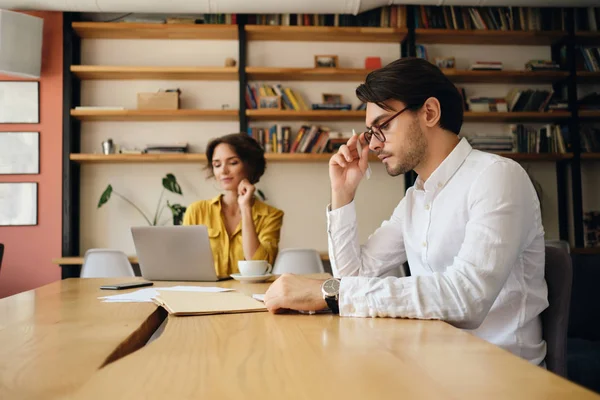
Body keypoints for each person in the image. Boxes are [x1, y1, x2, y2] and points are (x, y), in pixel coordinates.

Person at [264, 57, 549, 366]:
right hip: (433, 363)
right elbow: (355, 276)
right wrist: (342, 194)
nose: (373, 146)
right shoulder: (416, 198)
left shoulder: (496, 176)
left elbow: (467, 297)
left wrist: (330, 293)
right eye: (370, 133)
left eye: (382, 126)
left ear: (429, 112)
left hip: (501, 376)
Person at [183, 133, 284, 278]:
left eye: (233, 162)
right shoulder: (196, 211)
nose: (223, 171)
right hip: (206, 295)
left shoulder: (271, 215)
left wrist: (246, 208)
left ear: (250, 166)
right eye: (217, 164)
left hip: (249, 296)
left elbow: (258, 268)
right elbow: (185, 264)